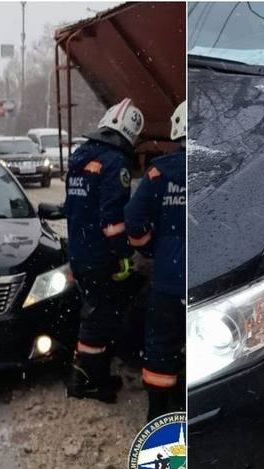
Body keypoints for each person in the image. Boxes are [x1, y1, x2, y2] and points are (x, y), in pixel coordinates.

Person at [64, 97, 144, 403]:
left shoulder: (81, 156)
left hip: (81, 251)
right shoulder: (115, 162)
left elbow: (74, 208)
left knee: (93, 312)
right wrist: (124, 255)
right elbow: (112, 218)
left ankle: (92, 375)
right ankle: (84, 383)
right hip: (100, 256)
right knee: (97, 320)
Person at [125, 101, 186, 421]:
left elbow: (133, 219)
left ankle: (159, 413)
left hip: (167, 277)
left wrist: (150, 248)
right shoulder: (219, 168)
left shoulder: (158, 171)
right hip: (205, 276)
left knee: (161, 344)